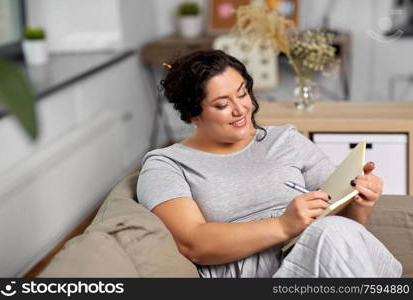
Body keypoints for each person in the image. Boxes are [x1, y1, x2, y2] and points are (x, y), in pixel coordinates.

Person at [136, 50, 402, 278]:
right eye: (222, 104)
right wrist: (284, 225)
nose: (241, 110)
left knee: (334, 230)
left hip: (323, 252)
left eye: (242, 94)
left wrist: (360, 204)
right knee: (330, 231)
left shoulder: (285, 138)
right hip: (254, 271)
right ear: (193, 113)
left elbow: (345, 227)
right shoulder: (167, 164)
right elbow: (192, 243)